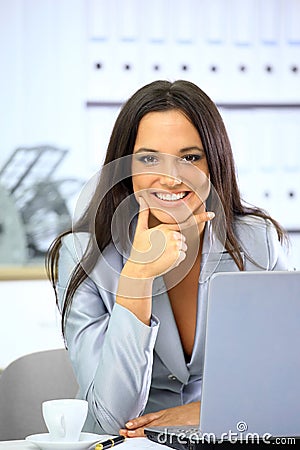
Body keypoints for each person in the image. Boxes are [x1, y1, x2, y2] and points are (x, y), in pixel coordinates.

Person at [46, 79, 288, 438]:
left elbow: (286, 382)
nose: (172, 178)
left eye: (190, 158)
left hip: (229, 433)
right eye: (148, 158)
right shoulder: (84, 256)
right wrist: (137, 277)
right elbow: (111, 419)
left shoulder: (257, 241)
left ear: (213, 163)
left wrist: (204, 412)